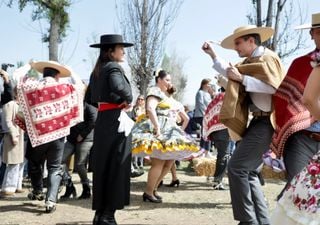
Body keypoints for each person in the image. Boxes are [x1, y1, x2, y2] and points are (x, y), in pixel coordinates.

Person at [202, 25, 285, 225]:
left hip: (268, 122)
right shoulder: (251, 61)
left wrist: (243, 79)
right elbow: (231, 71)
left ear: (251, 41)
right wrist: (213, 55)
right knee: (249, 172)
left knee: (237, 167)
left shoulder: (268, 58)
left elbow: (277, 88)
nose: (235, 48)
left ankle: (248, 221)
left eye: (238, 43)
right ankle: (261, 222)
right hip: (258, 121)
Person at [17, 60, 83, 213]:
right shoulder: (65, 88)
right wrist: (72, 71)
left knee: (34, 163)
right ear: (58, 75)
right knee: (54, 167)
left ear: (43, 73)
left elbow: (16, 78)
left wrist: (29, 66)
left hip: (38, 135)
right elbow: (80, 86)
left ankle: (38, 190)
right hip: (58, 136)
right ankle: (51, 201)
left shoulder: (33, 87)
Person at [270, 12, 320, 200]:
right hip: (302, 139)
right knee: (297, 190)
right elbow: (284, 100)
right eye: (319, 31)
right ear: (311, 34)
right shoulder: (300, 64)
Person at [131, 69, 198, 203]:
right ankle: (149, 192)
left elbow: (183, 118)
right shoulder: (154, 91)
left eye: (170, 80)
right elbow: (150, 108)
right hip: (161, 128)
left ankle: (153, 189)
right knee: (159, 162)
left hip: (169, 128)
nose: (169, 82)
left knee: (168, 162)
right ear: (159, 80)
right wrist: (157, 128)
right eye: (167, 80)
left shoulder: (163, 94)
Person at [88, 34, 134, 225]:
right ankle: (108, 215)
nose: (123, 51)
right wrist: (127, 98)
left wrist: (115, 100)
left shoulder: (97, 71)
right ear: (110, 51)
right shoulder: (114, 67)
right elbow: (119, 87)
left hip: (104, 121)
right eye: (120, 47)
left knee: (104, 168)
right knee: (118, 166)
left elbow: (90, 98)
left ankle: (100, 214)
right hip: (116, 122)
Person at [271, 62, 320, 224]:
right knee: (297, 186)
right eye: (315, 33)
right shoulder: (304, 62)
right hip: (303, 137)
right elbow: (304, 99)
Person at [60, 101, 97, 200]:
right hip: (72, 138)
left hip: (86, 138)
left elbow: (93, 120)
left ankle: (86, 188)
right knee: (59, 161)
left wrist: (83, 134)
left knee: (79, 164)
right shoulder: (69, 104)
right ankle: (69, 186)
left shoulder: (89, 106)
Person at [202, 83, 230, 191]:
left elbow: (207, 113)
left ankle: (217, 179)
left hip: (214, 130)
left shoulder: (217, 97)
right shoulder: (227, 96)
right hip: (223, 129)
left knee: (221, 155)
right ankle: (217, 181)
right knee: (224, 156)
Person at [0, 87, 25, 197]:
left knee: (20, 162)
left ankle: (16, 185)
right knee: (13, 161)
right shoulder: (10, 105)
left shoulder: (22, 106)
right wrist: (14, 135)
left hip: (21, 136)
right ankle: (8, 187)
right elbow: (8, 121)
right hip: (12, 136)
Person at [194, 78, 214, 157]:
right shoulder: (200, 93)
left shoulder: (208, 94)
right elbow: (200, 105)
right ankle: (202, 150)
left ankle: (206, 151)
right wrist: (207, 114)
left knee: (208, 133)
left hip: (208, 116)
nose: (210, 85)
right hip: (201, 115)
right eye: (209, 84)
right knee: (204, 132)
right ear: (204, 84)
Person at [130, 95, 145, 178]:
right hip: (134, 129)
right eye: (138, 99)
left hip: (143, 130)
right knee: (135, 147)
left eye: (142, 99)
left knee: (142, 147)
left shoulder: (145, 109)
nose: (140, 100)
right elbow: (133, 117)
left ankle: (141, 163)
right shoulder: (134, 108)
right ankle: (134, 163)